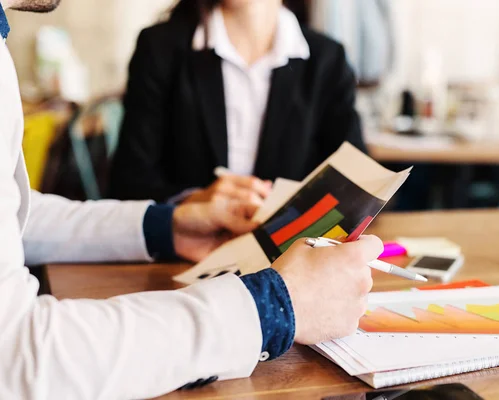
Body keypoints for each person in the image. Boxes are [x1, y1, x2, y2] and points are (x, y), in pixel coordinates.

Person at [0, 1, 382, 398]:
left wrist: (168, 225)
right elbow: (14, 357)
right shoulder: (163, 45)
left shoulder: (327, 57)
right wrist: (273, 308)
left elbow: (19, 216)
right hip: (220, 293)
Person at [109, 0, 367, 205]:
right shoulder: (160, 48)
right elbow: (129, 184)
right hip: (183, 253)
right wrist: (193, 200)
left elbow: (356, 183)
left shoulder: (327, 59)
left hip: (290, 253)